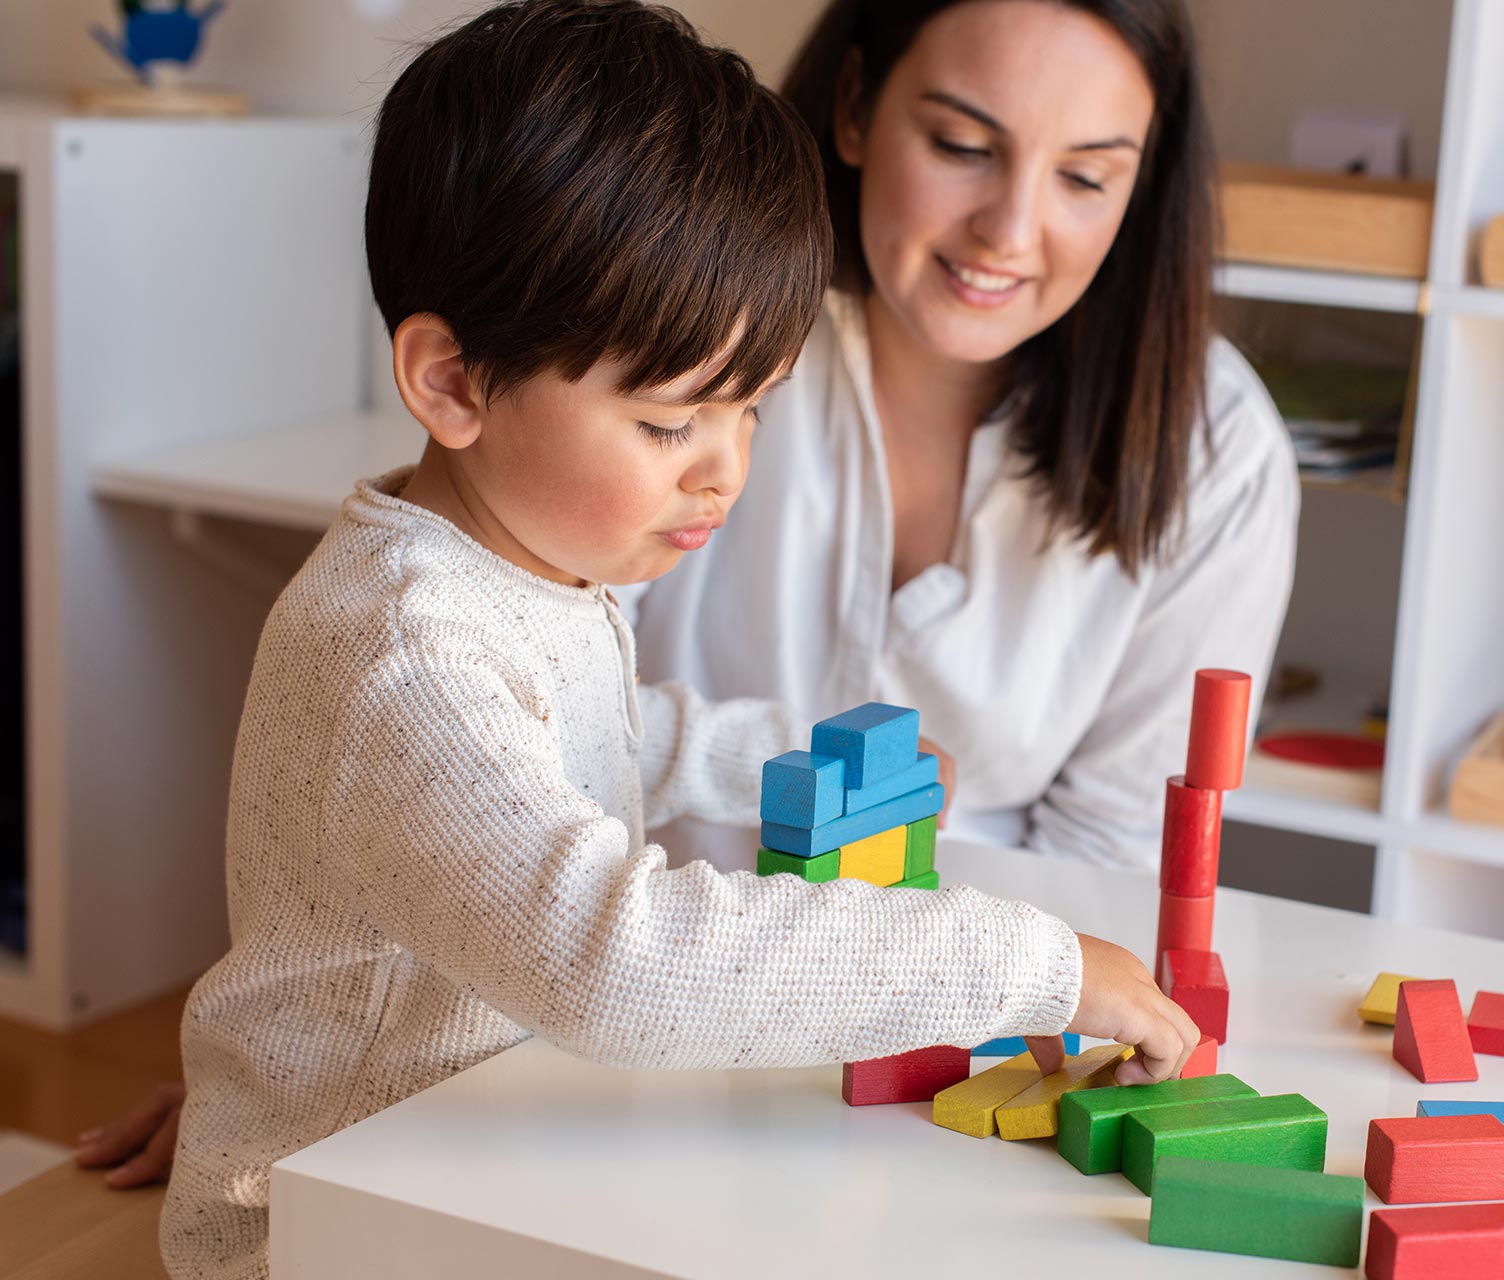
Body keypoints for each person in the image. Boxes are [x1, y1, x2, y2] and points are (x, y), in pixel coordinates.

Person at [148, 5, 1197, 1275]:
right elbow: (611, 954)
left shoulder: (519, 566)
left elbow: (601, 733)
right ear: (453, 382)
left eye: (752, 409)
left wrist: (785, 760)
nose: (724, 472)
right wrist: (1021, 964)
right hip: (320, 1226)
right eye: (670, 424)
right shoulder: (405, 652)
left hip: (479, 1157)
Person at [628, 0, 1299, 873]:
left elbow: (1112, 850)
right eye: (963, 148)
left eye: (1085, 179)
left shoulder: (1218, 447)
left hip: (983, 985)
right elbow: (547, 696)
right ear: (857, 105)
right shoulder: (683, 317)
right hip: (647, 957)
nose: (1010, 232)